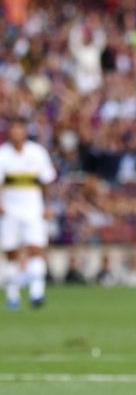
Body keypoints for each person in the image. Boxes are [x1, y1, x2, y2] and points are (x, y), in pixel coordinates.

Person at [0, 117, 58, 310]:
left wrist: (48, 205)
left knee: (36, 248)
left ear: (25, 131)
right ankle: (12, 295)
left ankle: (36, 292)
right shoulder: (3, 154)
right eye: (12, 129)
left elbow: (47, 181)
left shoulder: (37, 153)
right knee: (11, 252)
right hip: (9, 210)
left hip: (33, 209)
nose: (15, 132)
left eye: (19, 129)